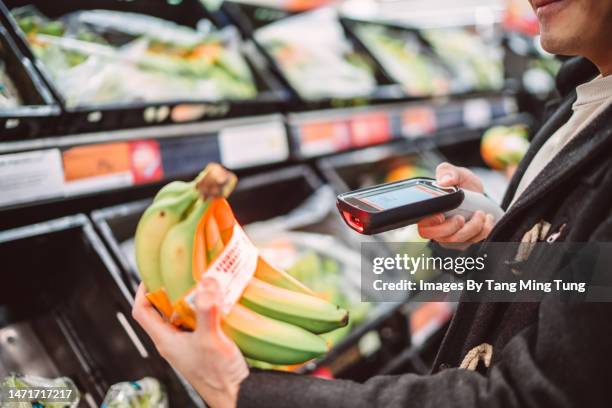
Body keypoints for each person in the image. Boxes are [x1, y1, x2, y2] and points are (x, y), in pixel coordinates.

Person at [132, 0, 612, 406]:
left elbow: (528, 397)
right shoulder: (584, 96)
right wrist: (502, 240)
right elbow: (581, 285)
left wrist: (239, 387)